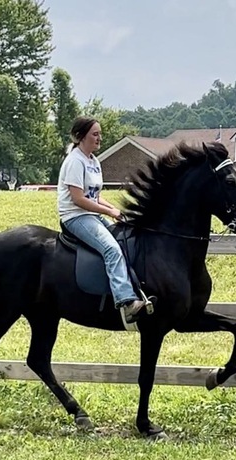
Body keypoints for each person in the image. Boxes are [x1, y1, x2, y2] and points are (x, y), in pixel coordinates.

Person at [57, 116, 145, 323]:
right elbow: (78, 199)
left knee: (123, 239)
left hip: (91, 215)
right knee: (111, 249)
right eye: (95, 134)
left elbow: (94, 196)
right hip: (75, 217)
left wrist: (115, 209)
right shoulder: (74, 161)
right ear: (81, 137)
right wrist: (109, 213)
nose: (99, 138)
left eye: (100, 134)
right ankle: (126, 302)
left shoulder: (93, 161)